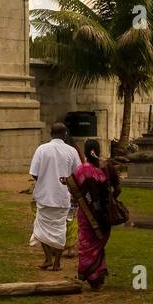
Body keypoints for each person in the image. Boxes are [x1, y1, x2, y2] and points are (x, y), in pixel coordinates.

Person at [63, 138, 122, 290]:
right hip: (104, 216)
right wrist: (110, 200)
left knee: (87, 245)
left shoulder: (80, 170)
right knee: (98, 246)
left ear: (85, 152)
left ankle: (92, 276)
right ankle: (98, 277)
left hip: (86, 216)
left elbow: (73, 190)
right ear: (99, 150)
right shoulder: (107, 167)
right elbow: (118, 188)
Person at [28, 123, 79, 271]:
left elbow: (34, 172)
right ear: (65, 134)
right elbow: (77, 174)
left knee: (41, 228)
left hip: (44, 196)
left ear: (50, 133)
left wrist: (45, 182)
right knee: (60, 229)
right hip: (64, 197)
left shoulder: (41, 149)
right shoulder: (71, 151)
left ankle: (48, 258)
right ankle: (56, 262)